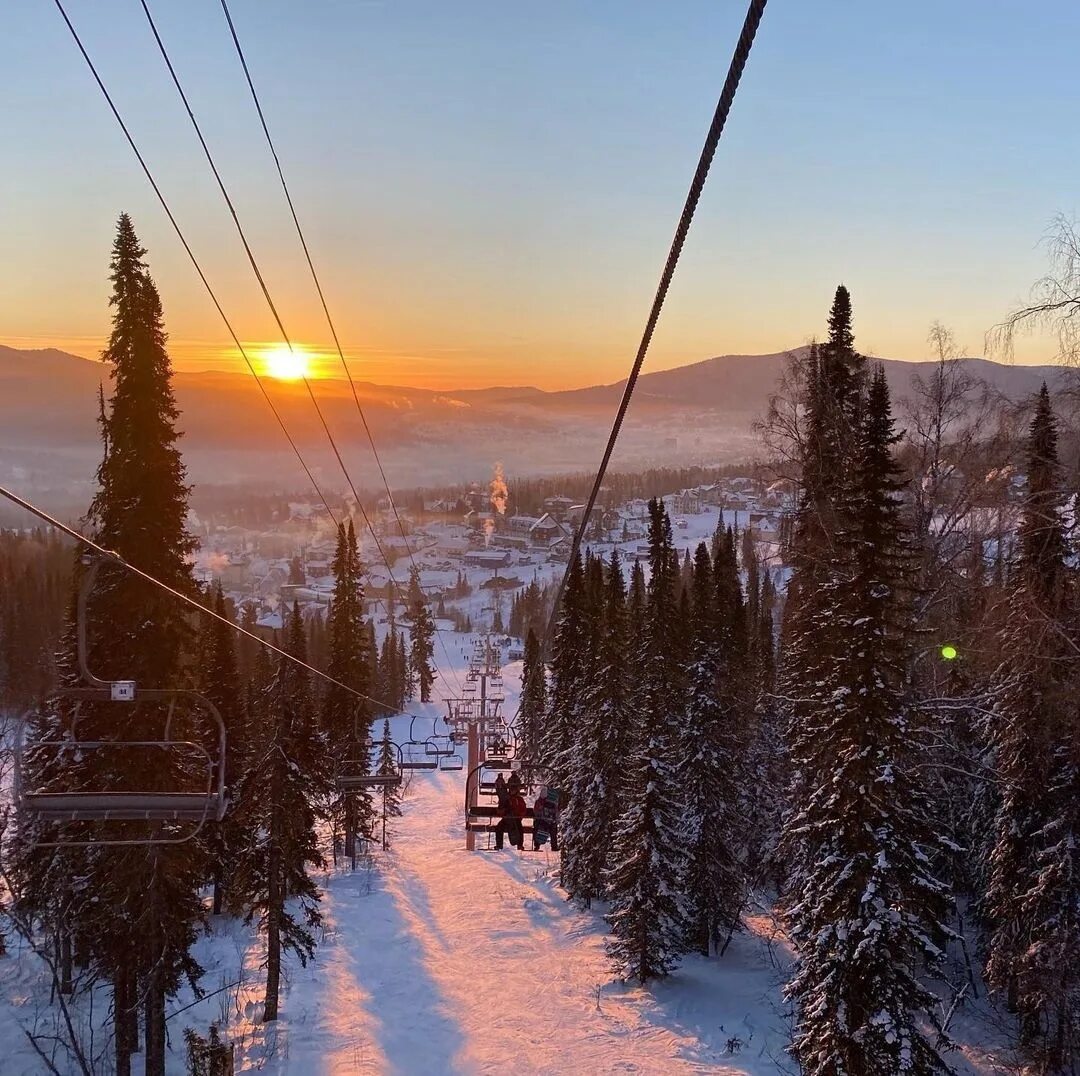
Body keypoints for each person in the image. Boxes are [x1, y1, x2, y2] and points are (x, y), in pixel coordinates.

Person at [495, 786, 527, 851]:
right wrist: (503, 811)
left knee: (519, 828)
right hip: (507, 818)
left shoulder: (519, 799)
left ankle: (520, 845)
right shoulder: (506, 799)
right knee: (499, 827)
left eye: (514, 790)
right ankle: (499, 845)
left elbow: (523, 810)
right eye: (511, 790)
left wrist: (518, 816)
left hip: (515, 818)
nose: (512, 791)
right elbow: (500, 810)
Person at [532, 786, 561, 852]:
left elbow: (556, 812)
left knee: (553, 829)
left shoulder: (552, 803)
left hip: (549, 821)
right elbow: (536, 811)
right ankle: (537, 845)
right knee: (538, 827)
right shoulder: (539, 802)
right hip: (542, 820)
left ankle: (554, 846)